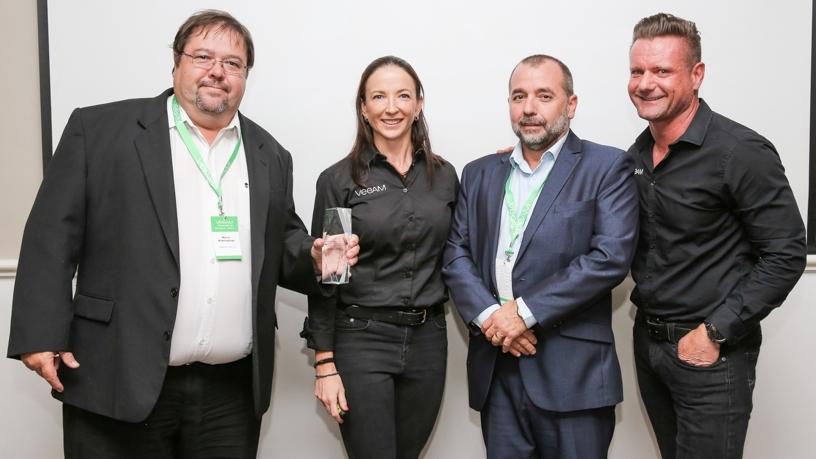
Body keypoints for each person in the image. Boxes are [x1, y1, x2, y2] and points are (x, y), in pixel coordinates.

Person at [7, 10, 357, 458]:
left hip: (230, 393)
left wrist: (314, 256)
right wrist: (40, 333)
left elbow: (281, 241)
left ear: (246, 76)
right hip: (118, 375)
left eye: (233, 63)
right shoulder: (99, 131)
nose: (218, 71)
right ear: (176, 62)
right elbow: (51, 236)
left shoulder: (270, 153)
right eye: (203, 57)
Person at [626, 13, 807, 459]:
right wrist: (534, 163)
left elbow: (786, 253)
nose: (646, 83)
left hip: (711, 355)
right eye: (637, 71)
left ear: (696, 75)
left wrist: (714, 331)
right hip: (649, 346)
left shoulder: (740, 151)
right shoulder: (636, 155)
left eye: (662, 71)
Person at [443, 54, 638, 458]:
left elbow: (609, 257)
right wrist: (493, 318)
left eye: (544, 96)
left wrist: (523, 312)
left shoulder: (607, 166)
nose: (529, 108)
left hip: (574, 378)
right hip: (498, 370)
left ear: (571, 104)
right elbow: (456, 253)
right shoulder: (478, 172)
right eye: (519, 96)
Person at [300, 55, 458, 459]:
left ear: (418, 104)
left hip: (428, 341)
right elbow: (328, 275)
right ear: (364, 108)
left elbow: (462, 252)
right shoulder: (340, 181)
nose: (391, 108)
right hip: (362, 340)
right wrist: (325, 363)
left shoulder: (444, 176)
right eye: (379, 97)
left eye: (403, 96)